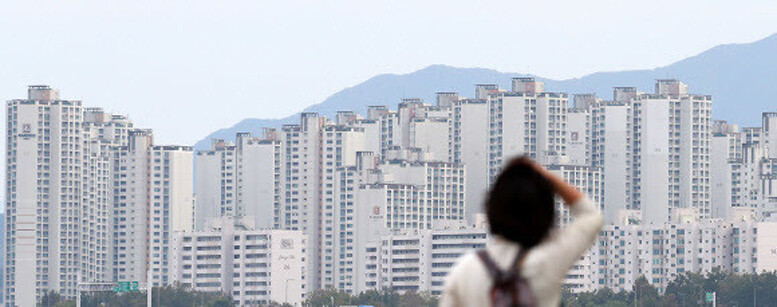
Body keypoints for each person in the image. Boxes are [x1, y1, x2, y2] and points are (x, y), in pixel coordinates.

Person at [440, 156, 604, 307]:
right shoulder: (547, 260)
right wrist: (543, 175)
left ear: (492, 209)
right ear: (547, 214)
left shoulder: (464, 271)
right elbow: (591, 216)